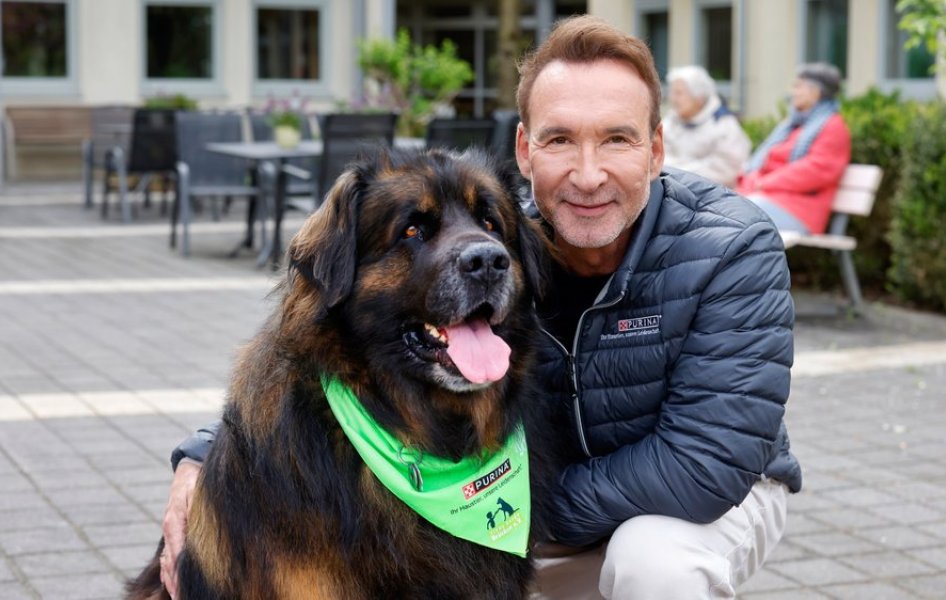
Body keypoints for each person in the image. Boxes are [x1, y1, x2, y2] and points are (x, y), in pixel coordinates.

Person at [158, 15, 800, 599]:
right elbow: (301, 345)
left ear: (656, 149)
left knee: (652, 563)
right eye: (560, 141)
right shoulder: (506, 228)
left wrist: (491, 504)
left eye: (617, 140)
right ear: (525, 150)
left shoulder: (731, 248)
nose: (587, 173)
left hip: (692, 500)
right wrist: (205, 456)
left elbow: (702, 465)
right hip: (499, 497)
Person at [737, 62, 851, 235]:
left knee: (737, 213)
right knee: (722, 209)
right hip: (767, 198)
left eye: (798, 86)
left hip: (800, 210)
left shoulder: (833, 126)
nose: (792, 92)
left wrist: (764, 183)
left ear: (815, 92)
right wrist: (753, 179)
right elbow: (765, 160)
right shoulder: (792, 125)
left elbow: (816, 170)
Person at [661, 65, 751, 188]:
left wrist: (680, 171)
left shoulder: (723, 124)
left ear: (699, 98)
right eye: (672, 92)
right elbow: (658, 154)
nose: (673, 99)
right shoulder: (671, 119)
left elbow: (726, 170)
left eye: (679, 93)